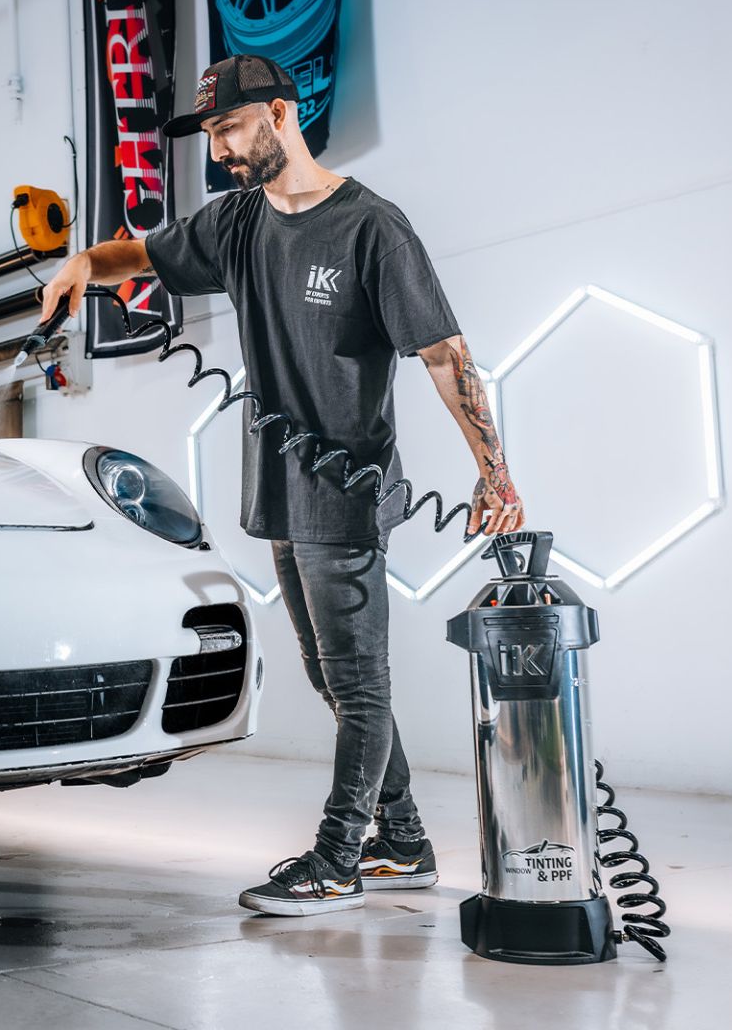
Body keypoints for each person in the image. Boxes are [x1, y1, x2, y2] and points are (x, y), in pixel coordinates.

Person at [37, 54, 525, 917]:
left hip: (345, 484)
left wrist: (496, 472)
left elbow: (446, 356)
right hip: (276, 483)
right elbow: (136, 253)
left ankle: (338, 856)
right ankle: (404, 841)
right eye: (212, 134)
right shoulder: (235, 224)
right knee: (330, 677)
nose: (219, 149)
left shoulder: (372, 228)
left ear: (280, 115)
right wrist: (81, 264)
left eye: (227, 128)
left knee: (358, 678)